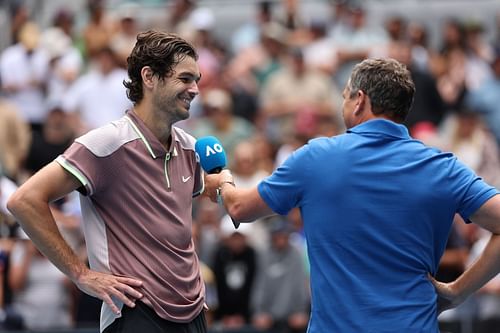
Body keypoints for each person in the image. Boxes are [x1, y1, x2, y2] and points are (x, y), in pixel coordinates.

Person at [203, 58, 500, 332]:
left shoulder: (316, 157)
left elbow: (239, 208)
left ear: (360, 101)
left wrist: (223, 180)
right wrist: (457, 292)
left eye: (345, 95)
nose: (342, 104)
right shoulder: (442, 168)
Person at [7, 30, 208, 333]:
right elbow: (23, 201)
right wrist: (80, 273)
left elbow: (204, 196)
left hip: (192, 313)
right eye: (185, 78)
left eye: (197, 80)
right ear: (150, 77)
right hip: (135, 313)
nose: (195, 89)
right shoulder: (107, 144)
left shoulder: (189, 147)